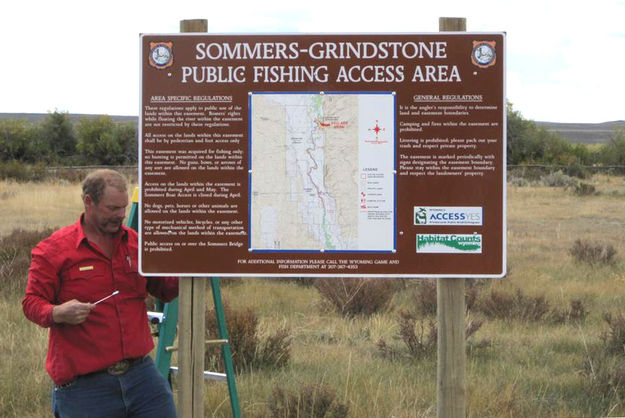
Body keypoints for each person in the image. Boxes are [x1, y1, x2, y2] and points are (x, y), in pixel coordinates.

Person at [22, 169, 179, 418]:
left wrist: (192, 263)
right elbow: (31, 302)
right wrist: (58, 312)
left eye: (123, 207)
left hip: (142, 379)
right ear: (89, 202)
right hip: (85, 389)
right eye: (112, 208)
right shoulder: (54, 250)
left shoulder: (135, 243)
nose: (120, 215)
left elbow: (166, 289)